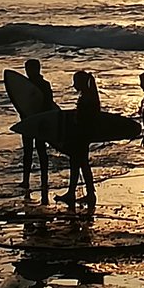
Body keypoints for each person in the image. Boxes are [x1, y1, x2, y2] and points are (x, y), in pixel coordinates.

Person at [57, 70, 100, 207]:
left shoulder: (87, 97)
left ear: (81, 83)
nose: (73, 85)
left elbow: (83, 119)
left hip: (81, 136)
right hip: (84, 135)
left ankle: (85, 194)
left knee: (79, 164)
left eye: (75, 82)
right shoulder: (89, 95)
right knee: (79, 164)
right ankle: (82, 193)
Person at [20, 58, 54, 197]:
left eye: (30, 69)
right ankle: (25, 181)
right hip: (28, 121)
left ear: (37, 69)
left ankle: (44, 180)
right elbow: (21, 102)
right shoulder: (25, 85)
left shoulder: (44, 85)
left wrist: (44, 120)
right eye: (26, 69)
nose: (28, 72)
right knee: (27, 151)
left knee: (41, 151)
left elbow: (48, 104)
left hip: (40, 122)